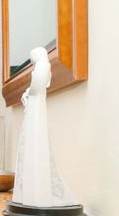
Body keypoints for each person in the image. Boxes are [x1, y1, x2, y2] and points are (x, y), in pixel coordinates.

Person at [11, 47, 77, 207]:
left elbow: (37, 87)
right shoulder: (42, 67)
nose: (32, 59)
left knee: (36, 142)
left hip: (36, 106)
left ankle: (41, 192)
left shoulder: (42, 68)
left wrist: (29, 92)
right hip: (35, 105)